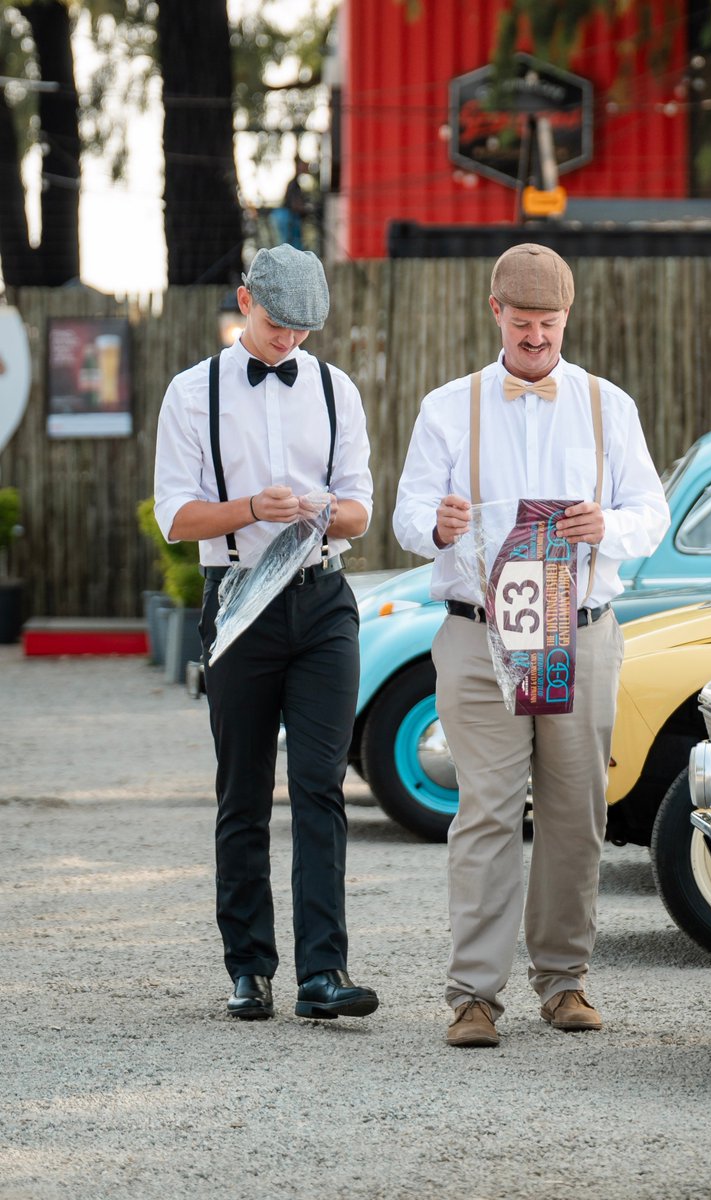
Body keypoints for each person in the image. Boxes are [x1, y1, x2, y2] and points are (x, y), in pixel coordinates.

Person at [393, 243, 668, 1048]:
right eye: (522, 325)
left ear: (566, 320)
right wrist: (433, 524)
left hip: (580, 634)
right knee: (482, 812)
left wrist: (605, 525)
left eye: (548, 325)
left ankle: (565, 983)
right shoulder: (448, 407)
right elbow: (408, 512)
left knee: (575, 811)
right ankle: (472, 997)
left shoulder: (608, 405)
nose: (536, 339)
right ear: (495, 315)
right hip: (479, 636)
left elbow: (650, 512)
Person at [153, 244, 378, 1023]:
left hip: (322, 599)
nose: (291, 343)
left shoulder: (334, 388)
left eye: (304, 331)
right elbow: (178, 517)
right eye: (279, 325)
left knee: (320, 785)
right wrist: (251, 508)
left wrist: (317, 507)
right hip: (239, 596)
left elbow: (360, 511)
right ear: (245, 301)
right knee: (243, 790)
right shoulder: (191, 393)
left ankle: (324, 972)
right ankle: (248, 970)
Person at [275, 158, 313, 250]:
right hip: (288, 217)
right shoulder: (294, 184)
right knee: (290, 245)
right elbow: (294, 205)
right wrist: (306, 208)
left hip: (288, 217)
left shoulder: (295, 184)